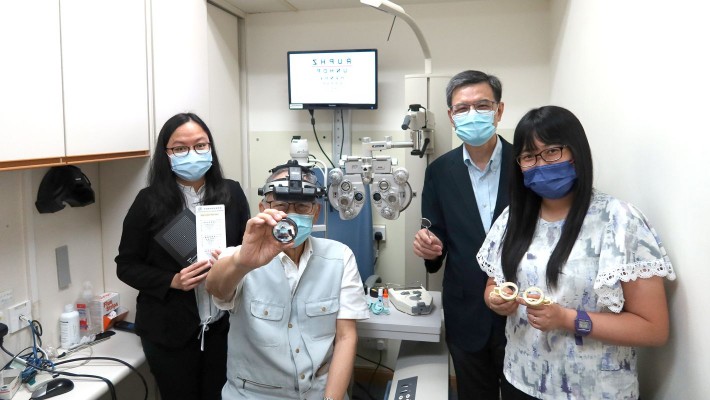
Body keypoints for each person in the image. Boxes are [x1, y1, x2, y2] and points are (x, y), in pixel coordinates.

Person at [478, 105, 676, 399]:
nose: (541, 164)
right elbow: (494, 284)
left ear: (576, 152)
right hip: (520, 379)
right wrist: (496, 300)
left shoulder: (619, 220)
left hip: (594, 390)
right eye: (529, 157)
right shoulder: (512, 219)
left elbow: (653, 328)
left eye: (553, 151)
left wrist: (566, 319)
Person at [206, 160, 369, 400]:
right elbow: (216, 289)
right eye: (281, 205)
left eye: (302, 207)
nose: (291, 215)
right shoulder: (239, 257)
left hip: (320, 390)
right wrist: (243, 262)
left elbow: (346, 336)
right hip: (253, 393)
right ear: (263, 208)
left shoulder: (340, 257)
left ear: (316, 212)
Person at [116, 113, 250, 400]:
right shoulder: (148, 202)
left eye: (201, 145)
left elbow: (246, 253)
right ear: (166, 154)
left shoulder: (232, 194)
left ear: (211, 148)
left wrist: (232, 264)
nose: (192, 154)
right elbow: (126, 265)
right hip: (168, 333)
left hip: (221, 330)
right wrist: (172, 280)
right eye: (180, 148)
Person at [412, 70, 512, 398]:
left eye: (482, 105)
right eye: (462, 108)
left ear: (498, 111)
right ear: (452, 117)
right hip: (465, 310)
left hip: (522, 308)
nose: (472, 114)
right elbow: (435, 238)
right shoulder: (439, 172)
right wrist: (429, 248)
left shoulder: (526, 164)